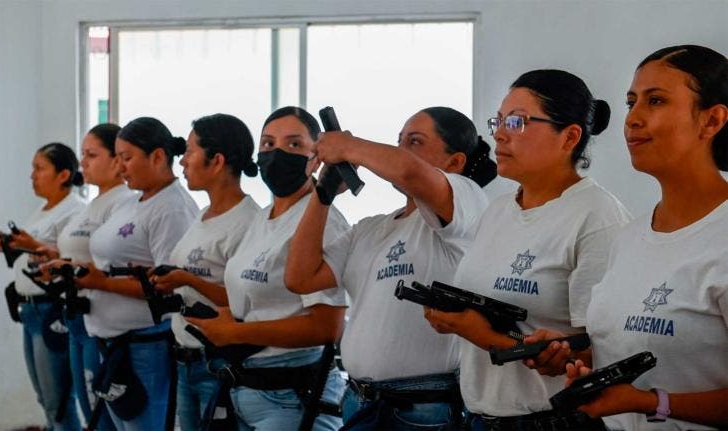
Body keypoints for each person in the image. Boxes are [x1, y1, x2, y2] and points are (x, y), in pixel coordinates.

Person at [424, 69, 630, 430]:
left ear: (569, 137)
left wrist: (481, 334)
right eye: (499, 120)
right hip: (480, 417)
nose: (499, 134)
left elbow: (601, 351)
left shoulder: (597, 217)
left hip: (553, 420)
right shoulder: (500, 210)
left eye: (518, 122)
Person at [284, 106, 496, 429]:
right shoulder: (370, 228)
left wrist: (347, 146)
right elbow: (300, 277)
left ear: (455, 162)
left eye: (415, 141)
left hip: (420, 409)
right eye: (399, 141)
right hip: (359, 402)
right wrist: (323, 194)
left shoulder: (466, 201)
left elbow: (410, 173)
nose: (400, 151)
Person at [567, 45, 728, 430]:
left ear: (712, 121)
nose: (632, 119)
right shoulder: (629, 237)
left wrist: (653, 402)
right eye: (630, 102)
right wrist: (578, 358)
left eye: (655, 101)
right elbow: (630, 343)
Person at [186, 106, 349, 431]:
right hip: (246, 386)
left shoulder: (322, 220)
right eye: (268, 144)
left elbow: (326, 328)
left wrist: (237, 333)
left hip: (292, 394)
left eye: (292, 145)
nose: (276, 155)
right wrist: (227, 320)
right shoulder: (262, 218)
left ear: (316, 156)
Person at [74, 117, 199, 431]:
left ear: (157, 157)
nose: (121, 166)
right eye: (117, 157)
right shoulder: (134, 201)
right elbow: (114, 262)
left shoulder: (172, 208)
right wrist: (85, 271)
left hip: (144, 346)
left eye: (127, 158)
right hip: (112, 340)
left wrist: (100, 282)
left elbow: (168, 288)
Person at [148, 114, 261, 430]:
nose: (182, 161)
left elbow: (246, 302)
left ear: (217, 161)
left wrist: (187, 279)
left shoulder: (249, 222)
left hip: (218, 363)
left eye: (190, 151)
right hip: (186, 359)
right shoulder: (202, 215)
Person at [36, 124, 132, 430]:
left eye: (92, 155)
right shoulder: (92, 204)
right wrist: (55, 258)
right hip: (77, 316)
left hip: (102, 319)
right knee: (85, 409)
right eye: (82, 155)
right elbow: (83, 254)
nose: (83, 163)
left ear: (117, 160)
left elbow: (112, 261)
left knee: (101, 415)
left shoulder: (124, 202)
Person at [0, 142, 85, 430]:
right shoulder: (43, 210)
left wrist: (32, 245)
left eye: (39, 168)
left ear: (63, 174)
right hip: (30, 310)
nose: (32, 175)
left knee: (58, 401)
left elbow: (64, 258)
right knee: (46, 398)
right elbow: (33, 253)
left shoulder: (74, 211)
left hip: (52, 310)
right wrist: (8, 244)